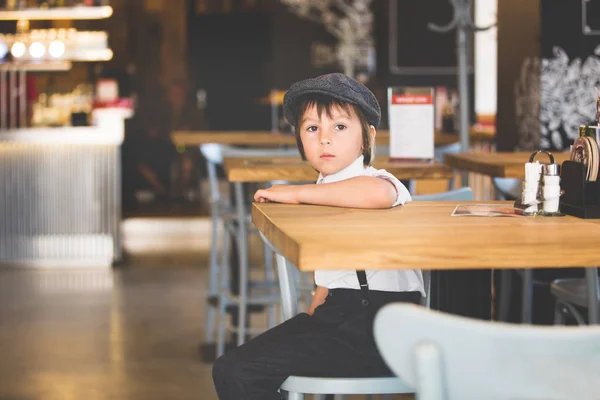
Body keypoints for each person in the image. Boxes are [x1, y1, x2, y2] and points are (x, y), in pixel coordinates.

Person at [212, 73, 425, 400]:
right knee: (234, 368)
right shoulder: (322, 191)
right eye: (312, 128)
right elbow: (331, 276)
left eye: (340, 127)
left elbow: (379, 195)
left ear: (367, 138)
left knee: (238, 371)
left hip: (384, 323)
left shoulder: (376, 180)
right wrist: (313, 314)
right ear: (299, 140)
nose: (325, 139)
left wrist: (295, 193)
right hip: (340, 316)